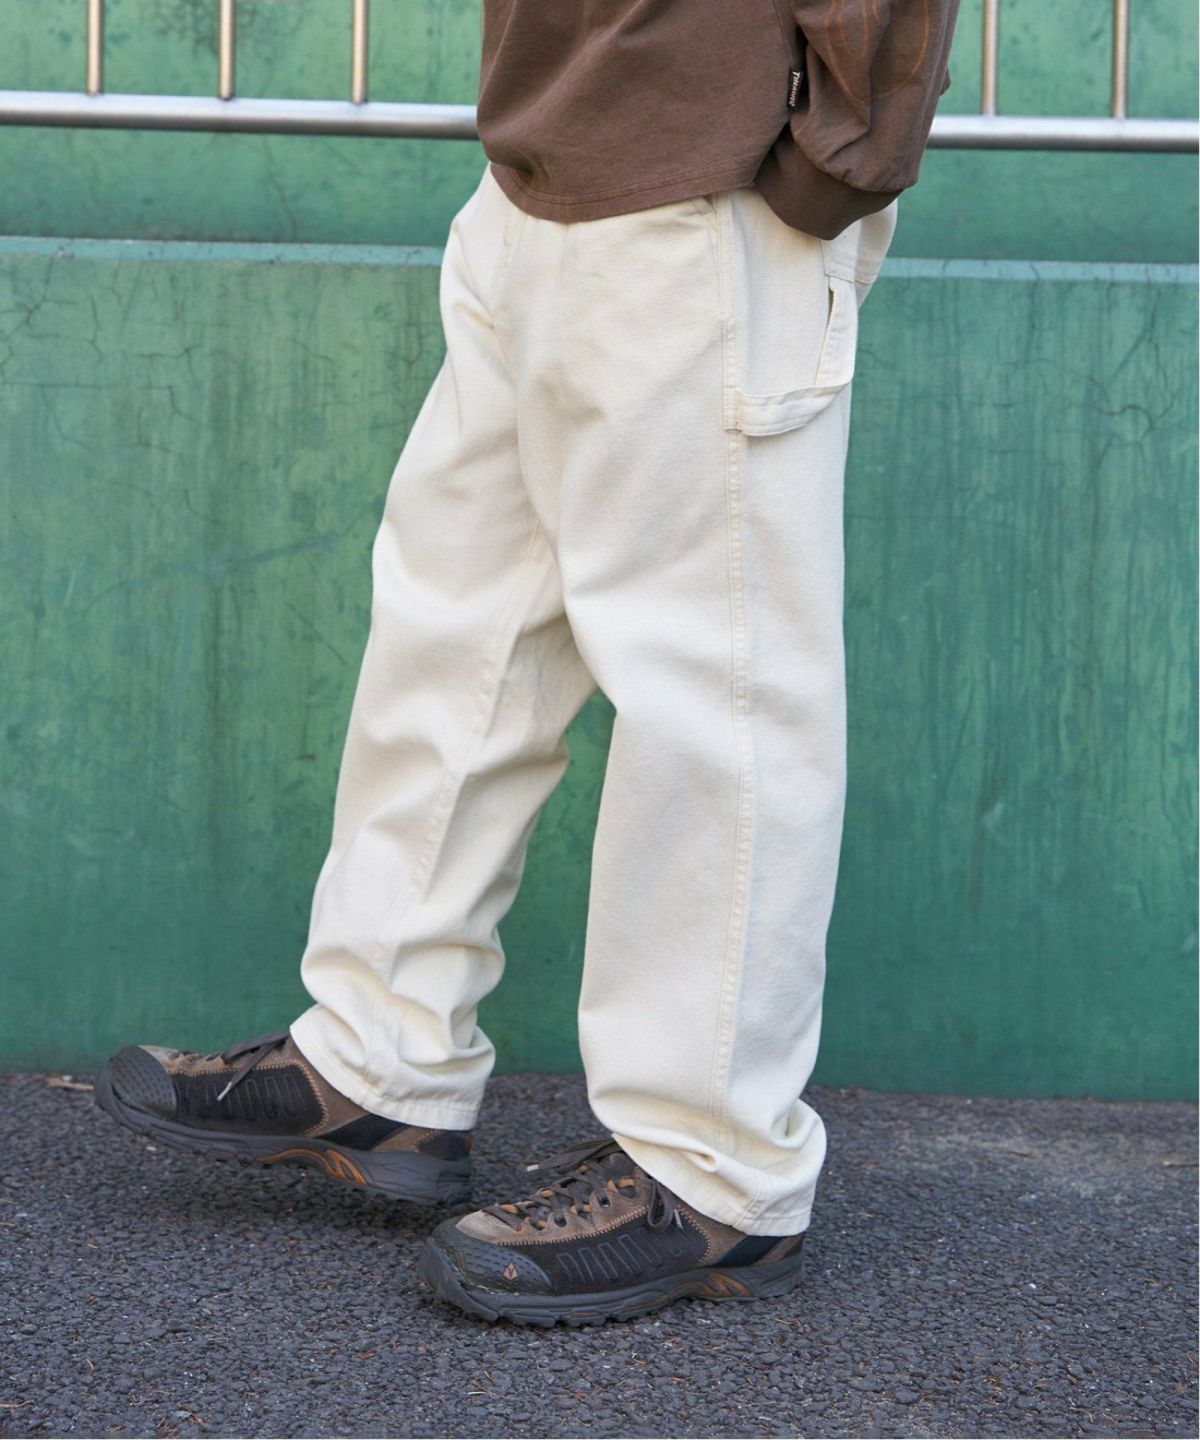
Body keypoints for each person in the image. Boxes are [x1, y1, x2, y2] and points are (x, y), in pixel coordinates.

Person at [95, 0, 961, 1326]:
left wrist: (832, 155)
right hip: (545, 162)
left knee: (713, 692)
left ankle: (712, 1167)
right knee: (457, 630)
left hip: (710, 184)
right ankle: (383, 1057)